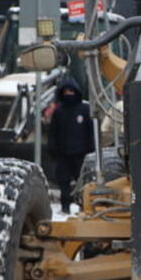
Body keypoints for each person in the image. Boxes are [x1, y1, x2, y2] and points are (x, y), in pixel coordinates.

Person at [48, 79, 95, 213]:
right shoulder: (59, 112)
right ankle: (65, 206)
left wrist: (91, 150)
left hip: (81, 154)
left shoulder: (85, 110)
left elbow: (91, 132)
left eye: (71, 91)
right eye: (66, 91)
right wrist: (52, 149)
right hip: (63, 154)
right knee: (63, 182)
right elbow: (53, 132)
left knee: (83, 182)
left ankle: (84, 206)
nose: (69, 94)